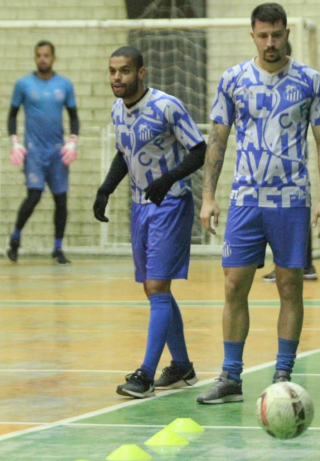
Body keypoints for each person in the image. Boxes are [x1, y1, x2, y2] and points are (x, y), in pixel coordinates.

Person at [196, 2, 320, 405]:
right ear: (252, 34)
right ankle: (230, 376)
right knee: (234, 284)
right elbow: (218, 138)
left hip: (292, 200)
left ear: (287, 33)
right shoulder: (233, 79)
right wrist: (207, 196)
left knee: (290, 285)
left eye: (277, 34)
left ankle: (283, 373)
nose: (270, 42)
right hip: (245, 199)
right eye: (263, 35)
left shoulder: (310, 81)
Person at [93, 46, 207, 398]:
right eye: (113, 71)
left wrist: (168, 179)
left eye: (124, 71)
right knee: (153, 289)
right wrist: (105, 189)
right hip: (141, 207)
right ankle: (183, 366)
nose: (117, 78)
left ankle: (144, 374)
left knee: (157, 288)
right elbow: (124, 153)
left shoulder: (166, 106)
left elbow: (198, 150)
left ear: (141, 73)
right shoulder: (117, 110)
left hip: (170, 204)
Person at [6, 40, 79, 265]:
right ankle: (15, 239)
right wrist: (15, 142)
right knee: (34, 196)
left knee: (61, 201)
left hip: (57, 153)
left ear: (53, 58)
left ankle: (58, 249)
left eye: (46, 55)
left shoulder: (64, 85)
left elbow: (74, 117)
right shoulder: (23, 84)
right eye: (39, 55)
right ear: (35, 57)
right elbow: (12, 115)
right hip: (34, 152)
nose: (42, 59)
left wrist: (72, 141)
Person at [260, 40, 317, 283]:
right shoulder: (260, 83)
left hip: (290, 172)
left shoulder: (303, 82)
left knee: (295, 217)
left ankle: (303, 264)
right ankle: (300, 264)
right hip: (264, 175)